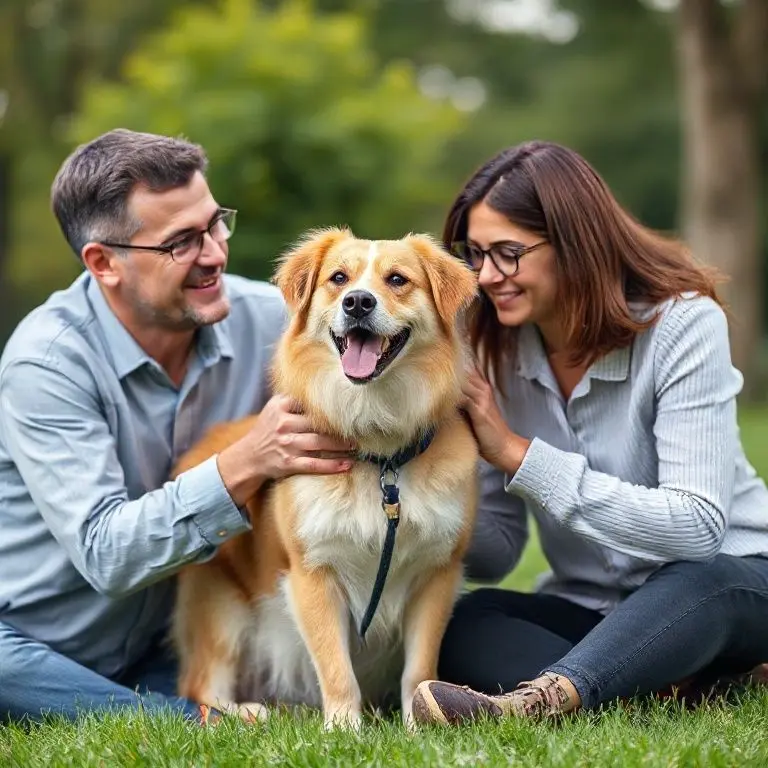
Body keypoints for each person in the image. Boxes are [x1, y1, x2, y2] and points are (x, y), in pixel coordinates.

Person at [0, 128, 362, 723]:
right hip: (41, 646)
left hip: (171, 642)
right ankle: (190, 719)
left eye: (216, 223)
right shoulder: (46, 363)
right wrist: (247, 460)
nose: (216, 253)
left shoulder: (271, 322)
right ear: (103, 263)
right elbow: (106, 554)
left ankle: (189, 700)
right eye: (182, 243)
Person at [411, 140, 768, 726]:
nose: (486, 277)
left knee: (700, 581)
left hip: (730, 581)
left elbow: (698, 528)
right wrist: (415, 501)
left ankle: (540, 701)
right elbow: (498, 550)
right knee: (455, 621)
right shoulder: (487, 348)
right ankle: (662, 684)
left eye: (507, 253)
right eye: (474, 254)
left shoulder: (682, 324)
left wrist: (520, 456)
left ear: (575, 243)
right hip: (595, 608)